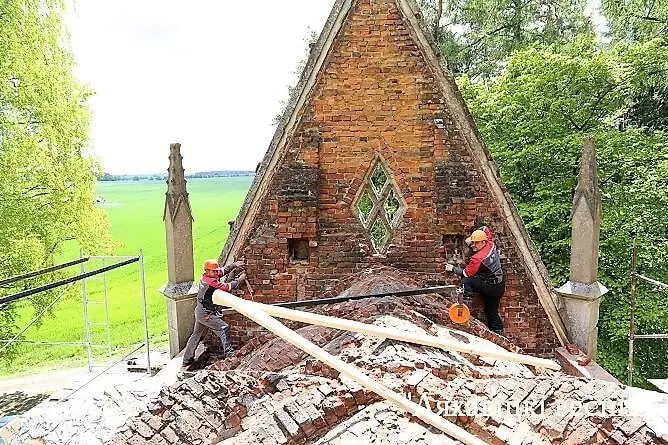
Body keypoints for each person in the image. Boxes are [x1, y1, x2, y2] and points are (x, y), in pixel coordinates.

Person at [182, 259, 246, 368]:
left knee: (196, 335)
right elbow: (227, 287)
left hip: (200, 311)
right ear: (207, 271)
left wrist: (235, 265)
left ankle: (187, 359)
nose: (217, 273)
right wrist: (239, 280)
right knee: (224, 328)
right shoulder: (210, 282)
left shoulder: (207, 276)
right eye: (214, 271)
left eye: (216, 271)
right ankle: (230, 355)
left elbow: (223, 270)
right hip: (206, 314)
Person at [445, 226, 505, 334]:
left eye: (476, 243)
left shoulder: (478, 258)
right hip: (499, 286)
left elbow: (466, 273)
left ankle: (464, 307)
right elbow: (485, 228)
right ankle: (498, 332)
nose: (473, 246)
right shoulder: (490, 243)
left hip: (491, 287)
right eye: (472, 243)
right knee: (491, 311)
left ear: (483, 241)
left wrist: (452, 268)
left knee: (467, 281)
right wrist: (472, 237)